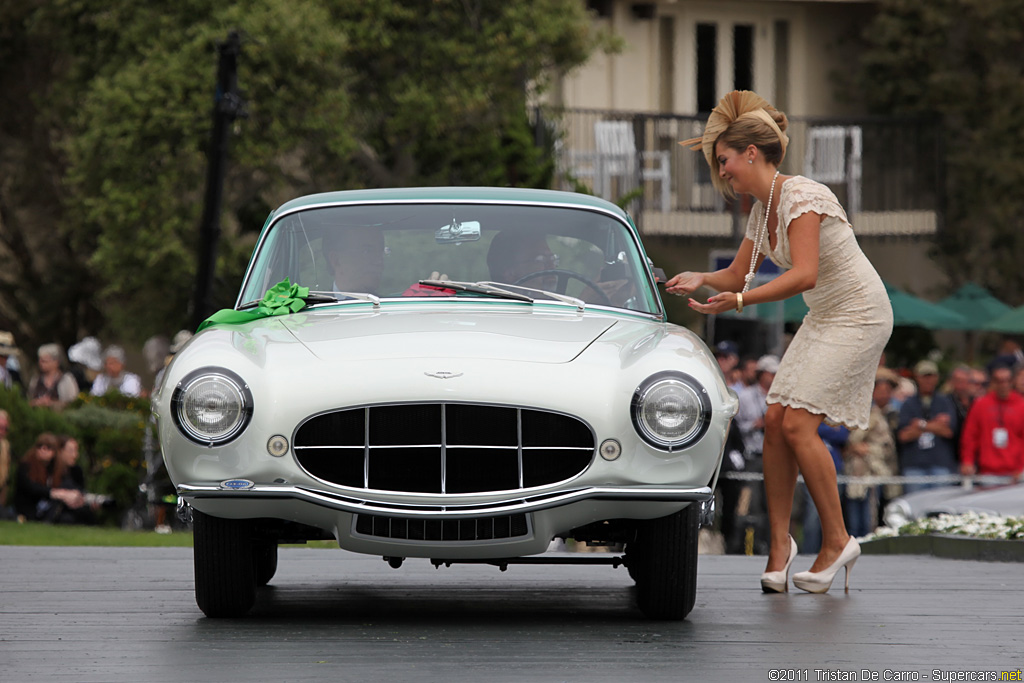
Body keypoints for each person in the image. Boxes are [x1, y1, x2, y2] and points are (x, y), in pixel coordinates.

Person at [667, 90, 893, 593]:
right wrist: (701, 279)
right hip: (825, 316)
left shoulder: (802, 195)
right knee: (774, 421)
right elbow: (734, 274)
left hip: (859, 314)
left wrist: (743, 302)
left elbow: (806, 274)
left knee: (797, 426)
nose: (722, 171)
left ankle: (837, 541)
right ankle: (780, 545)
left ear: (751, 153)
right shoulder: (760, 211)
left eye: (724, 161)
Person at [843, 369, 900, 538]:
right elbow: (848, 440)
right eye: (879, 390)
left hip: (879, 471)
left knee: (872, 518)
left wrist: (867, 448)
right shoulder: (859, 413)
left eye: (886, 391)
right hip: (856, 472)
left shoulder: (894, 413)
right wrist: (854, 447)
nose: (883, 394)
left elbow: (887, 446)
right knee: (854, 519)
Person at [895, 360, 958, 493]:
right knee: (915, 507)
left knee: (940, 507)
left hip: (940, 464)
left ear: (937, 378)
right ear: (917, 377)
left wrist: (920, 424)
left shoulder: (945, 402)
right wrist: (936, 424)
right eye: (924, 376)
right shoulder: (908, 404)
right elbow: (903, 435)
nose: (928, 380)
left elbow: (948, 431)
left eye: (931, 376)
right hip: (914, 465)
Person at [959, 364, 1024, 483]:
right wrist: (967, 460)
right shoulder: (981, 404)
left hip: (1015, 473)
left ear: (1012, 381)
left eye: (1007, 380)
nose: (1003, 385)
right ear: (993, 382)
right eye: (999, 381)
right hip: (988, 472)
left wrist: (1021, 467)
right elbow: (970, 436)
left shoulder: (1021, 404)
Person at [13, 433, 84, 522]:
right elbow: (31, 487)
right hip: (29, 509)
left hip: (48, 509)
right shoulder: (26, 466)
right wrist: (56, 493)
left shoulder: (56, 469)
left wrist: (74, 494)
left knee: (69, 517)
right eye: (40, 446)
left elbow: (68, 484)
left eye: (49, 448)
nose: (43, 450)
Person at [323, 226, 387, 295]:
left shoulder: (391, 304)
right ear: (336, 260)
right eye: (367, 251)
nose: (379, 261)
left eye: (381, 251)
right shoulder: (318, 305)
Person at [27, 344, 80, 410]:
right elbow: (29, 400)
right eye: (40, 360)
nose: (40, 363)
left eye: (44, 361)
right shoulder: (36, 380)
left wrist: (51, 403)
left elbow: (73, 403)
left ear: (56, 362)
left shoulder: (66, 379)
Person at [0, 409, 12, 518]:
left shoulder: (5, 447)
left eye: (5, 429)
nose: (2, 432)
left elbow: (5, 481)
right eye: (0, 428)